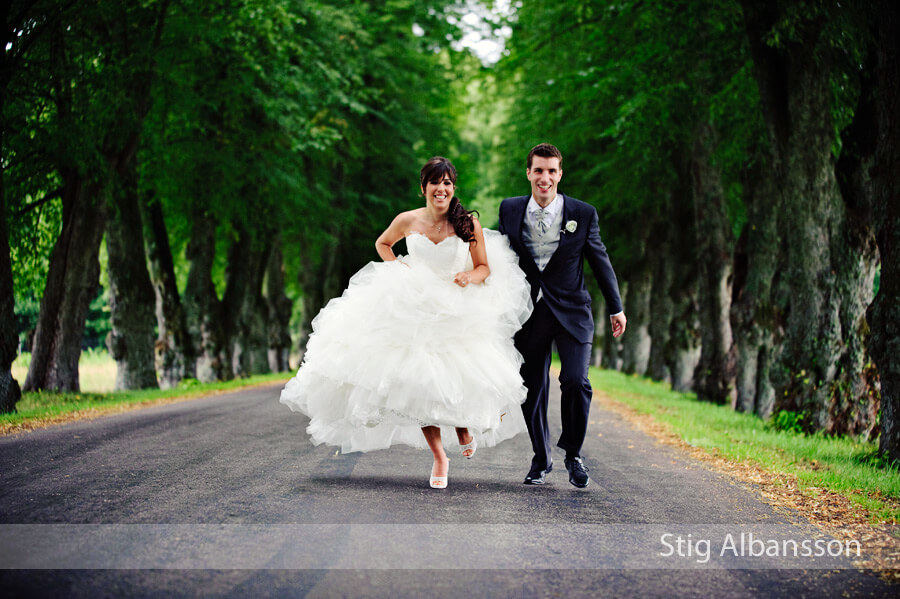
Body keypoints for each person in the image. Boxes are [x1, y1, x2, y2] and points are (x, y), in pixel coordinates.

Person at [281, 156, 533, 489]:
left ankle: (462, 427)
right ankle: (440, 457)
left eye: (447, 183)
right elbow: (382, 244)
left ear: (453, 188)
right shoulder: (407, 220)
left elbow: (484, 268)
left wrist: (468, 276)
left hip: (457, 307)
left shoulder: (466, 224)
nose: (441, 189)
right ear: (423, 188)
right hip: (413, 306)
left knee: (459, 376)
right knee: (419, 385)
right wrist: (400, 269)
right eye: (435, 182)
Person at [498, 143, 627, 488]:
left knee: (575, 380)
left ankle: (573, 453)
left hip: (573, 311)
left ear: (560, 174)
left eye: (551, 170)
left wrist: (616, 306)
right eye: (538, 170)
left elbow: (600, 260)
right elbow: (501, 257)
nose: (545, 177)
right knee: (532, 386)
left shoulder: (583, 213)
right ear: (528, 173)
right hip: (528, 311)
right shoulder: (509, 209)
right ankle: (541, 458)